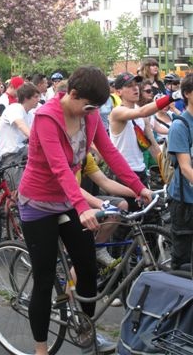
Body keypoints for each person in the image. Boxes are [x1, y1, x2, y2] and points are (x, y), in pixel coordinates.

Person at [17, 66, 152, 355]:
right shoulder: (46, 117)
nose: (91, 112)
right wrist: (82, 206)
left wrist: (138, 187)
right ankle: (41, 349)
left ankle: (86, 333)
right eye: (88, 106)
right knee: (43, 278)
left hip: (66, 201)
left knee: (88, 268)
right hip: (38, 203)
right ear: (72, 94)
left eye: (95, 108)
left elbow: (111, 154)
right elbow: (59, 168)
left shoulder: (88, 116)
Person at [109, 72, 180, 204]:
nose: (135, 88)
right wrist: (172, 97)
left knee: (146, 216)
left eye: (136, 85)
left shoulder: (141, 112)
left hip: (140, 171)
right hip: (123, 174)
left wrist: (166, 169)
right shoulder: (117, 112)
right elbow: (142, 112)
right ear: (118, 92)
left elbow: (152, 144)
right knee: (128, 219)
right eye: (129, 86)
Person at [167, 73, 193, 270]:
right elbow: (185, 168)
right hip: (185, 204)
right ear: (187, 94)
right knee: (182, 262)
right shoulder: (180, 125)